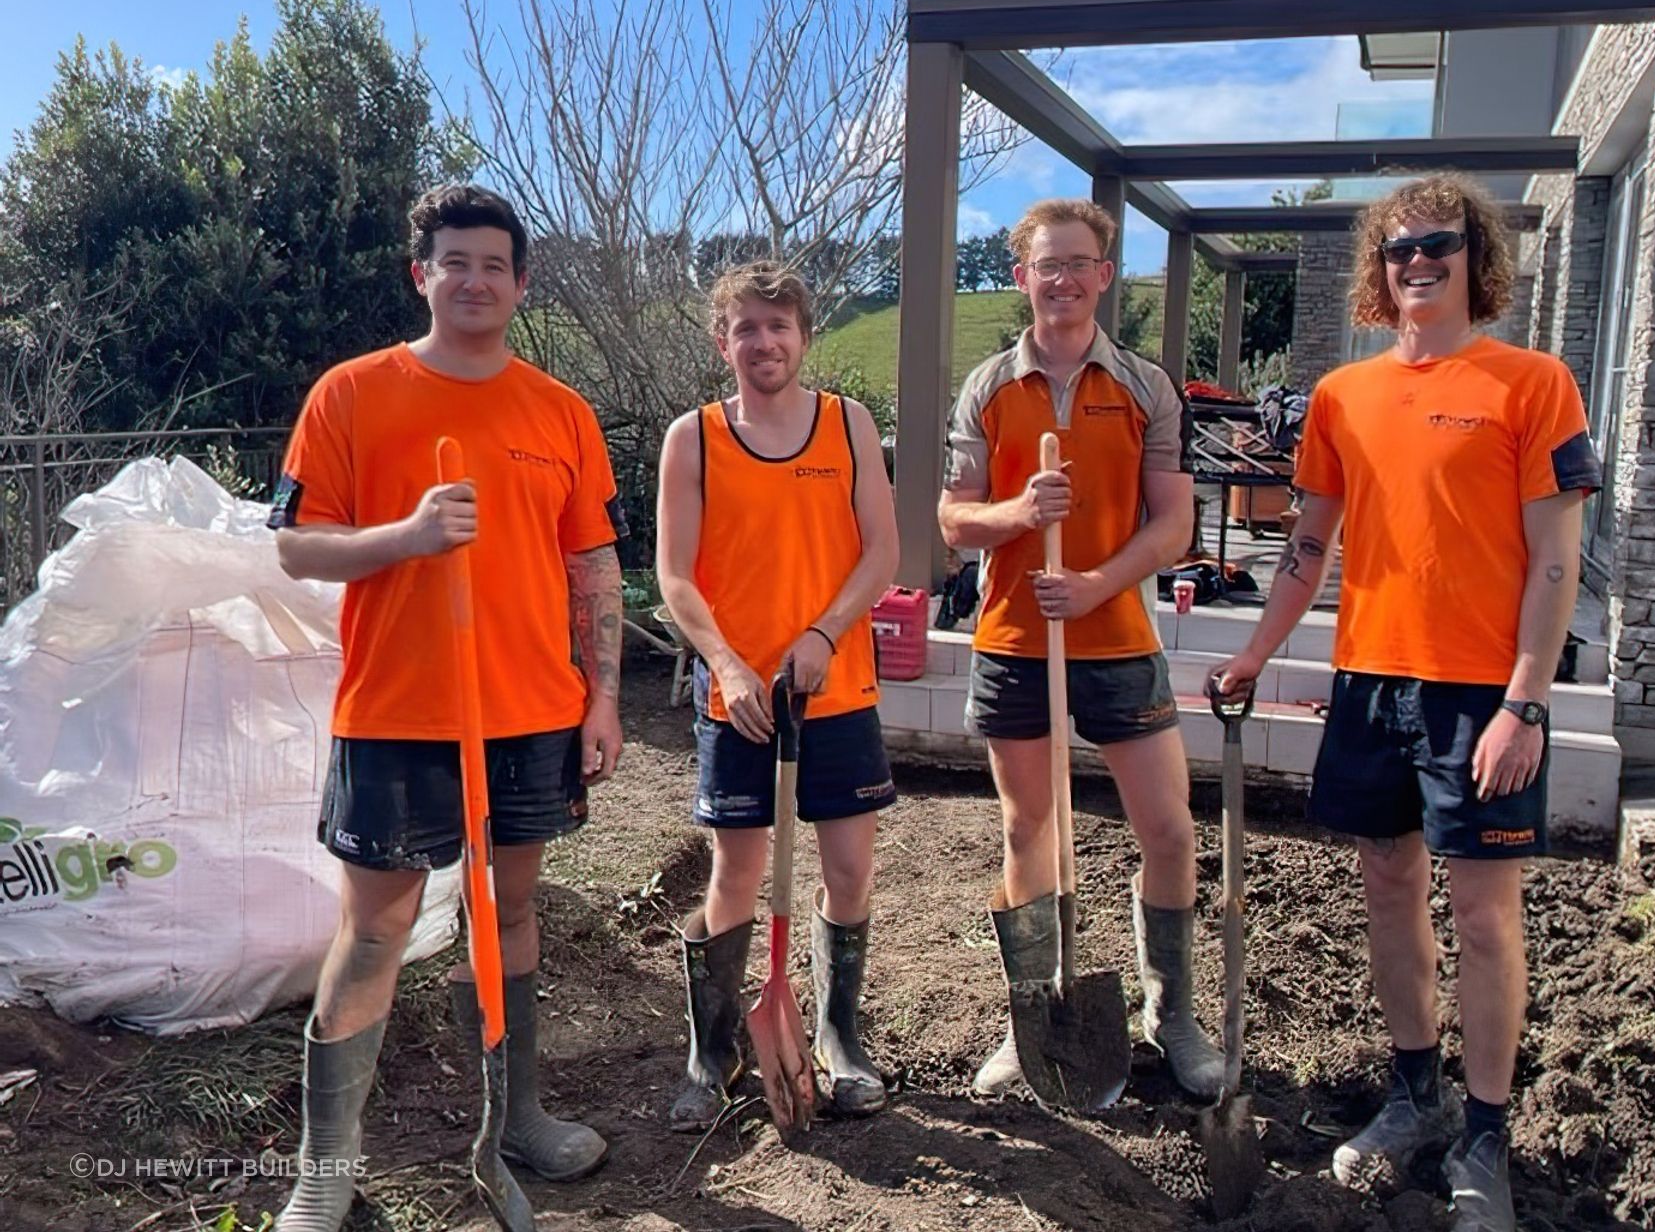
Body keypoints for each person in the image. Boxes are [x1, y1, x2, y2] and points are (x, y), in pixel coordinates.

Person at [1213, 173, 1599, 1232]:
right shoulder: (1344, 396)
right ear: (1379, 271)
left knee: (1483, 912)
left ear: (1479, 259)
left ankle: (1484, 1131)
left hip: (1483, 692)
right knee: (1388, 882)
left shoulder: (1534, 383)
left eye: (1439, 243)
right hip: (1373, 681)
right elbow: (1305, 544)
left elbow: (1557, 559)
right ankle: (1414, 1092)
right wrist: (1253, 650)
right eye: (1397, 248)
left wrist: (1525, 699)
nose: (1417, 261)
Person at [268, 184, 627, 1230]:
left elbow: (593, 562)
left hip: (530, 713)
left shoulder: (559, 411)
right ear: (419, 272)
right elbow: (295, 545)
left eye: (494, 264)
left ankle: (517, 1118)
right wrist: (406, 537)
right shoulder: (352, 393)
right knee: (375, 927)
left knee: (508, 909)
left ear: (521, 282)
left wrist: (599, 696)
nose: (475, 280)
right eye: (453, 261)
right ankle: (323, 1176)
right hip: (394, 710)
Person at [939, 198, 1224, 1101]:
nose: (1060, 279)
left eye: (1078, 263)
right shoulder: (988, 387)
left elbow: (1174, 523)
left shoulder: (1145, 387)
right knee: (1033, 830)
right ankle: (1039, 1013)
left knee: (1170, 830)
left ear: (1105, 275)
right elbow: (953, 518)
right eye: (1043, 264)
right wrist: (1019, 516)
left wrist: (1100, 583)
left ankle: (1169, 1010)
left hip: (1119, 637)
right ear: (1020, 277)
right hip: (1016, 641)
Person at [655, 261, 899, 1130]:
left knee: (848, 869)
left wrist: (826, 632)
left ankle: (840, 1039)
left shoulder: (848, 425)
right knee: (736, 876)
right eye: (746, 328)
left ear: (805, 334)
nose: (764, 342)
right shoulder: (694, 437)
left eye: (779, 325)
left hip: (836, 693)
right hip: (743, 698)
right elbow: (675, 576)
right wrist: (724, 662)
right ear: (722, 342)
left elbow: (883, 552)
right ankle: (710, 1053)